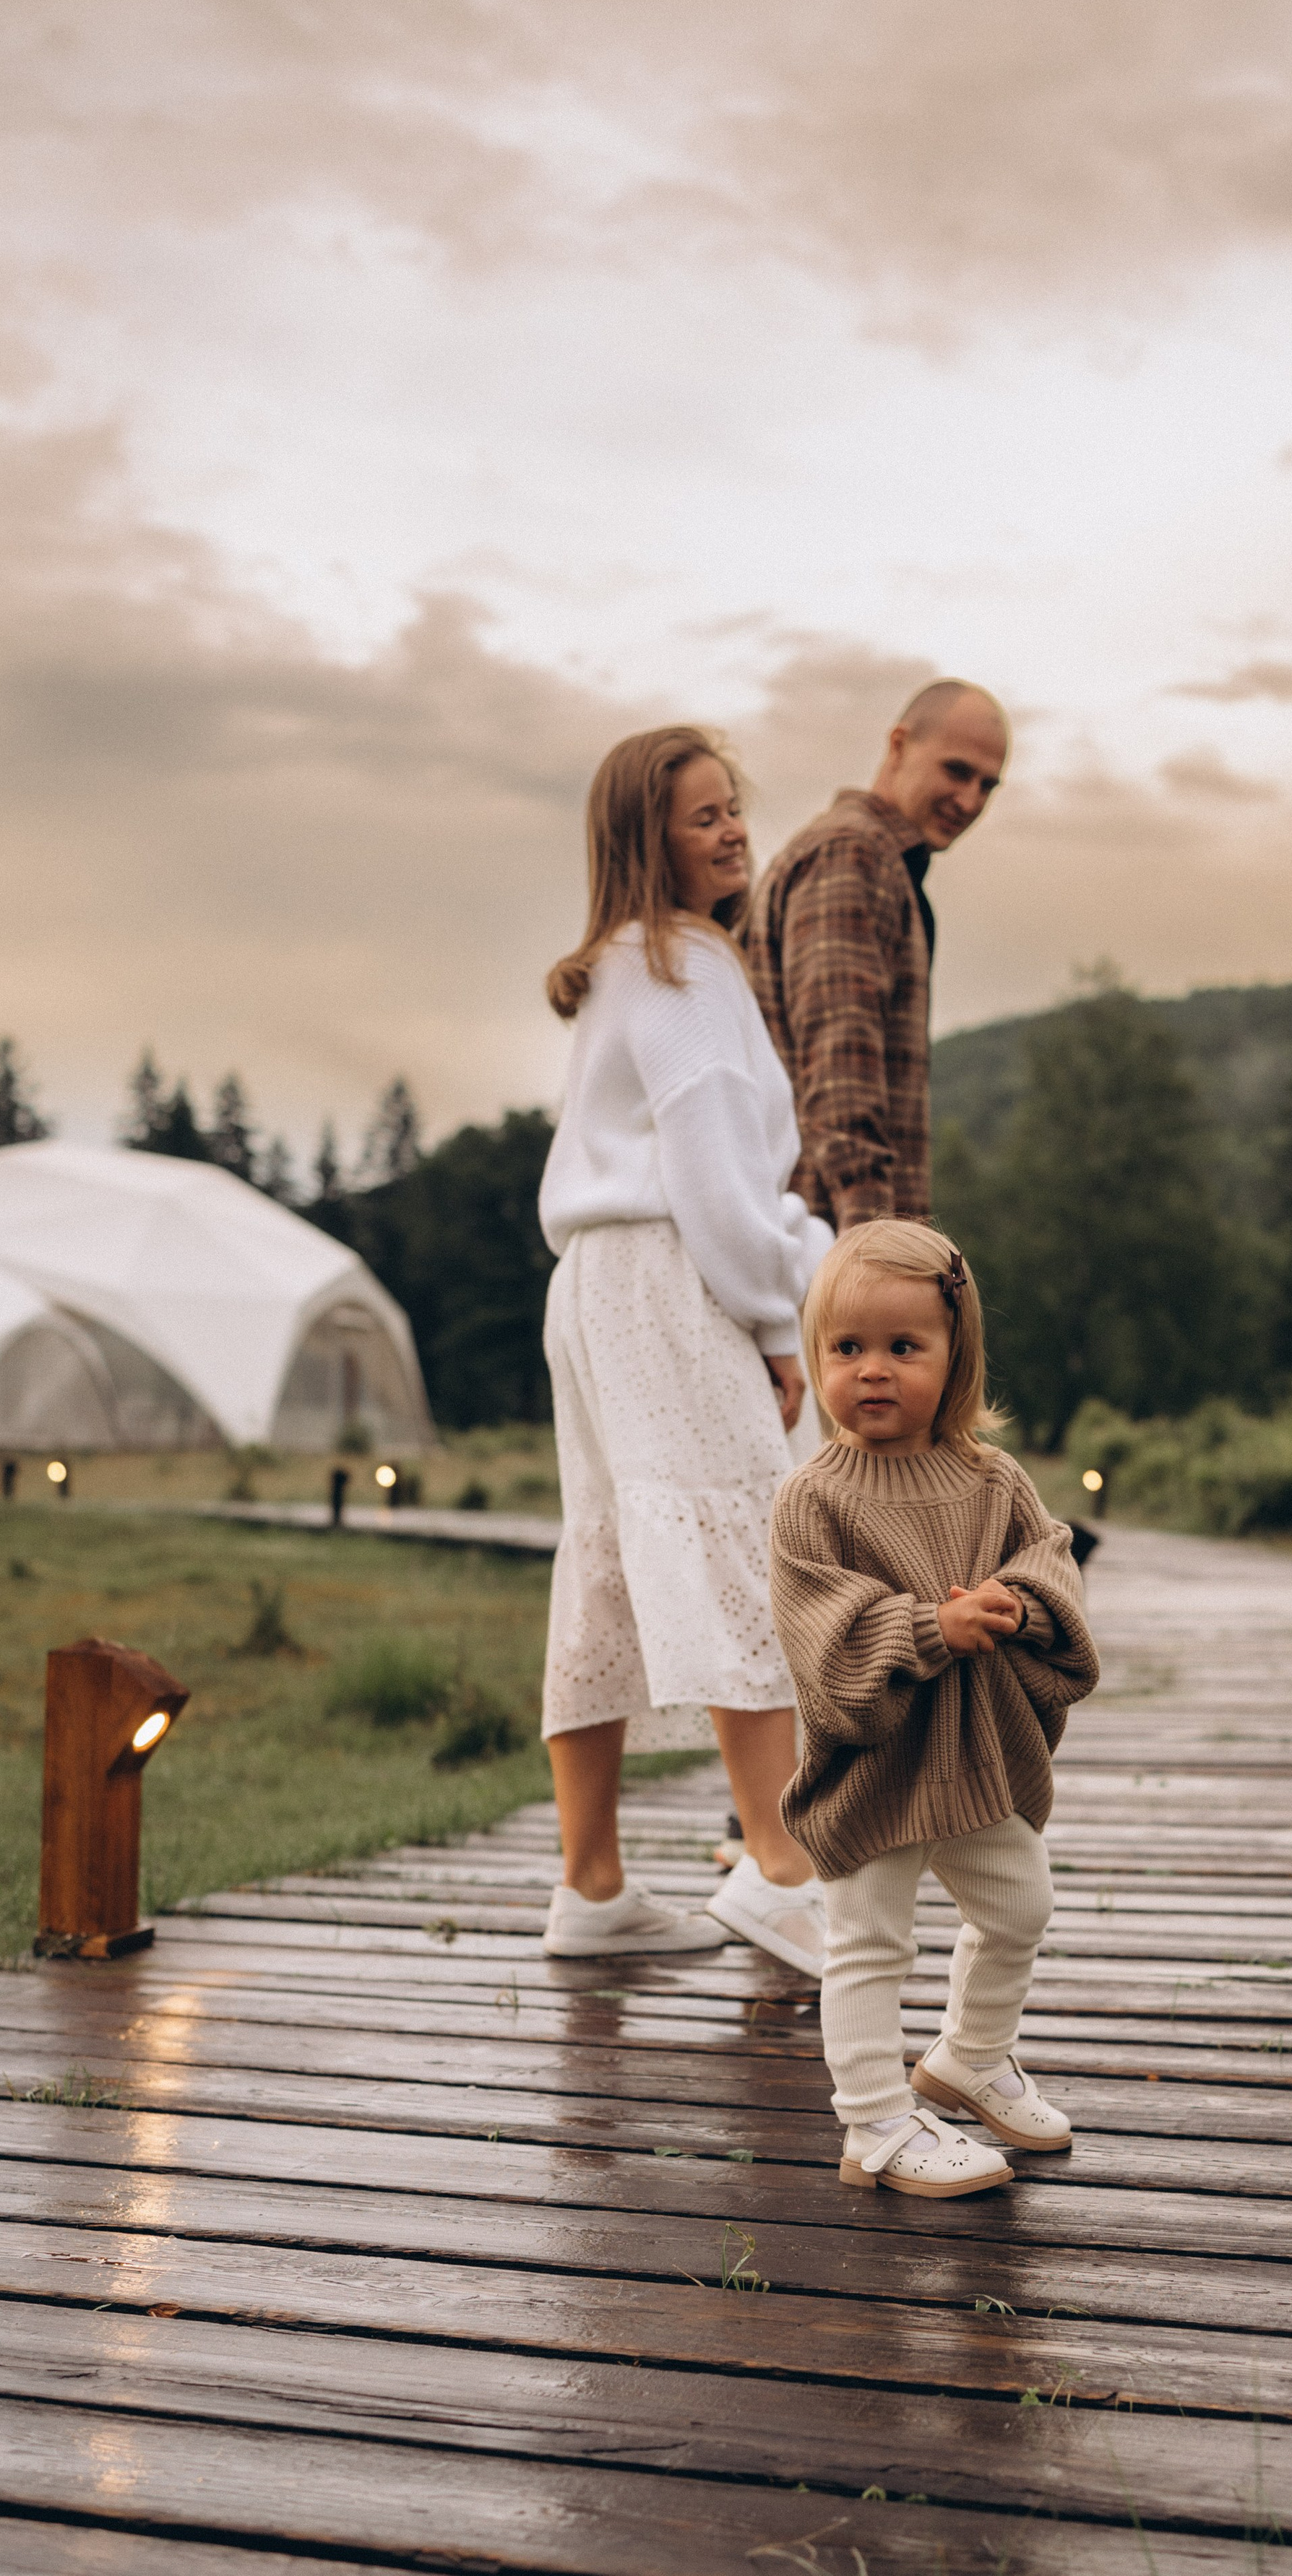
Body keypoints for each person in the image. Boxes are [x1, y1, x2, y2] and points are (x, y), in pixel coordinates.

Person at [538, 725, 833, 1972]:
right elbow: (717, 1177)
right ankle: (780, 1866)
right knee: (741, 1543)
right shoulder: (687, 964)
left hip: (595, 1286)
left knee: (608, 1558)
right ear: (642, 839)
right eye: (701, 815)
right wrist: (781, 1318)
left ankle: (594, 1889)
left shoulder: (618, 966)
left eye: (732, 808)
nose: (731, 829)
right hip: (674, 1276)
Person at [769, 1220, 1099, 2195]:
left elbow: (1050, 1562)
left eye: (904, 1348)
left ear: (955, 1360)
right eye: (847, 1348)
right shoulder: (812, 1500)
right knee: (868, 1940)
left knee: (1020, 1903)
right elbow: (822, 1633)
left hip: (976, 1758)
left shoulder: (992, 1479)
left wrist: (1023, 1605)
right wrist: (927, 1630)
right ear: (818, 1355)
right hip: (877, 1768)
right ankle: (874, 2120)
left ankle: (970, 2057)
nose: (874, 1370)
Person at [746, 680, 1009, 1232]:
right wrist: (876, 1254)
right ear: (898, 746)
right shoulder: (854, 854)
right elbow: (842, 1081)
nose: (971, 801)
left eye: (988, 785)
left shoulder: (875, 860)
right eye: (957, 771)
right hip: (825, 1247)